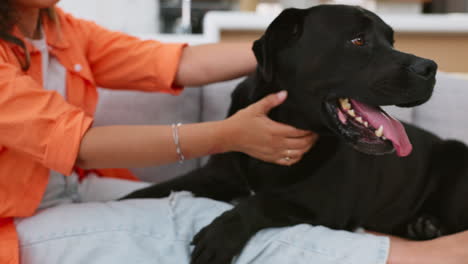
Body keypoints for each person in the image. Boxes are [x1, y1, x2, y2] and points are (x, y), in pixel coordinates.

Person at [1, 1, 468, 264]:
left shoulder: (63, 31)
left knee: (183, 205)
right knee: (192, 220)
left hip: (63, 189)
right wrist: (228, 136)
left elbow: (180, 62)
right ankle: (421, 258)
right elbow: (76, 144)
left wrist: (286, 50)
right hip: (13, 222)